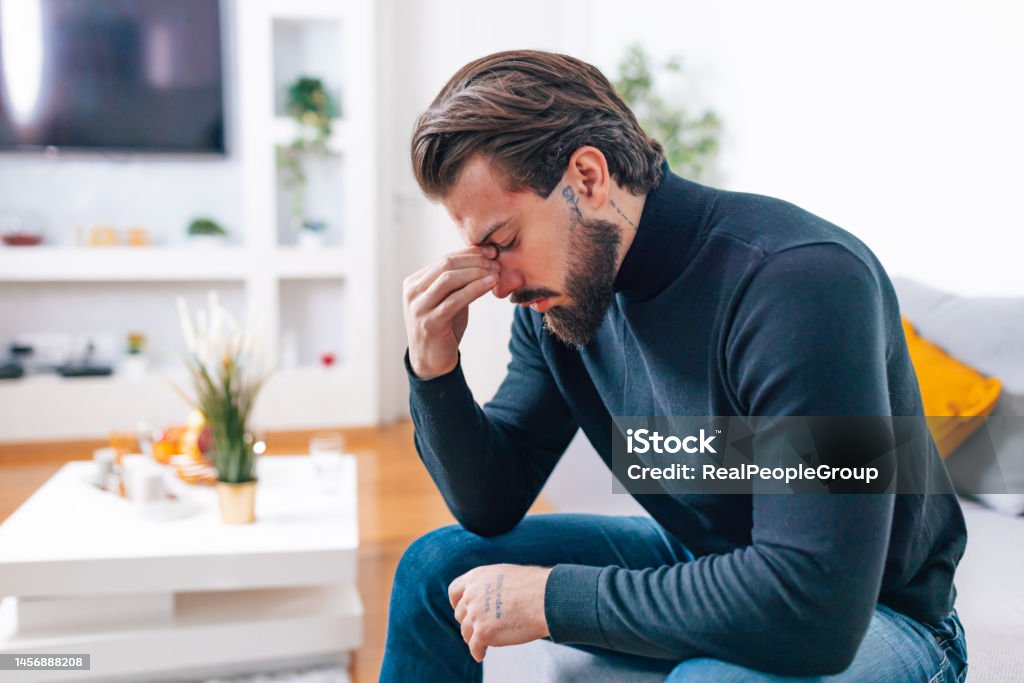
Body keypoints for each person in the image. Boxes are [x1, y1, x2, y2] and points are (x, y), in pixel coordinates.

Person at [381, 50, 968, 682]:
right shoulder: (563, 302)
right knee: (434, 570)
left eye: (504, 242)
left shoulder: (799, 284)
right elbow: (491, 505)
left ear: (587, 177)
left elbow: (814, 607)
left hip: (876, 617)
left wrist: (552, 599)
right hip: (700, 560)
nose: (499, 283)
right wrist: (433, 368)